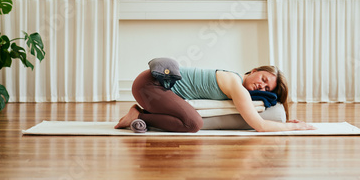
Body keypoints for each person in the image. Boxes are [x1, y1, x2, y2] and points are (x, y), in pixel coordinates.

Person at [115, 65, 316, 133]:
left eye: (266, 88)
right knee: (193, 123)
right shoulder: (236, 85)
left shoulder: (234, 79)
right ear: (254, 70)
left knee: (189, 121)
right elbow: (259, 125)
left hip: (152, 85)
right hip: (150, 85)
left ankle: (141, 115)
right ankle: (138, 115)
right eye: (263, 79)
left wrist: (284, 123)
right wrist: (295, 127)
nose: (261, 87)